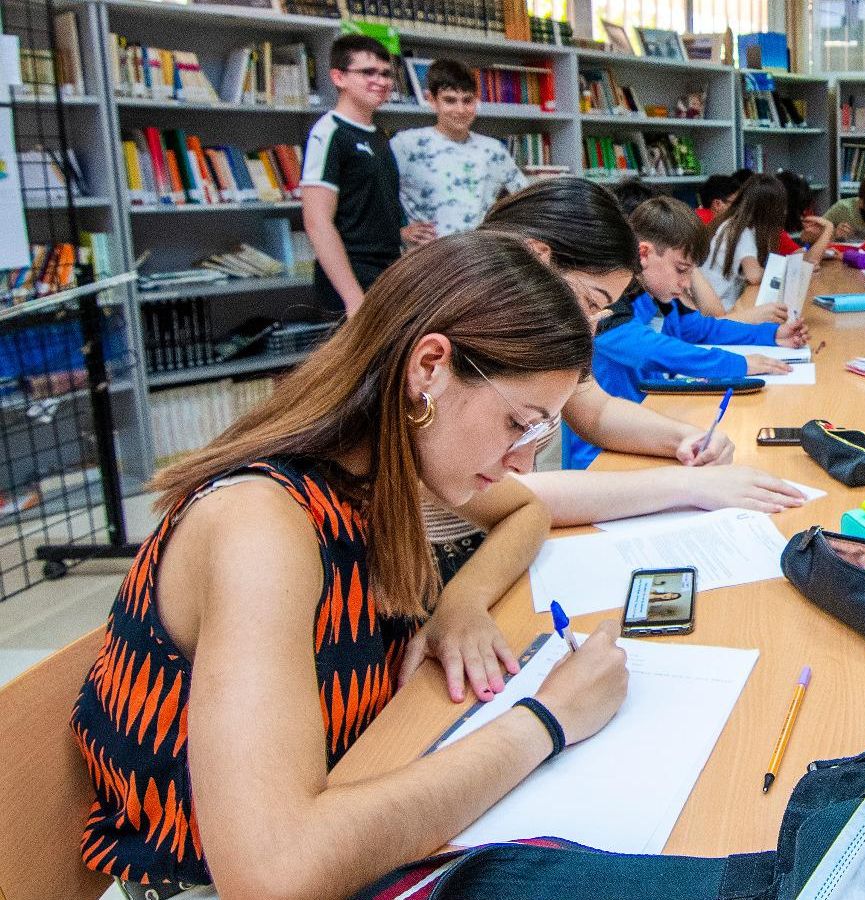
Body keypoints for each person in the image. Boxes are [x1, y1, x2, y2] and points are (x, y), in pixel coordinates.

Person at [70, 231, 632, 899]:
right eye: (519, 424)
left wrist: (461, 603)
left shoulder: (381, 467)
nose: (523, 462)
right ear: (430, 368)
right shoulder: (261, 524)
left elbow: (525, 509)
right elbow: (272, 873)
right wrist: (548, 719)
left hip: (352, 805)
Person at [569, 197, 809, 468]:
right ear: (644, 254)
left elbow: (703, 329)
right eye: (681, 270)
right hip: (601, 453)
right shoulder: (607, 302)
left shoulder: (656, 296)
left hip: (649, 422)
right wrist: (737, 363)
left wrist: (771, 335)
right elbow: (650, 350)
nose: (685, 284)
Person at [301, 34, 412, 317]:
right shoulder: (329, 132)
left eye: (386, 74)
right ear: (339, 77)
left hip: (386, 272)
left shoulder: (379, 135)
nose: (381, 81)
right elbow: (317, 223)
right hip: (352, 280)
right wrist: (353, 299)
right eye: (368, 72)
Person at [390, 58, 531, 244]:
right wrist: (399, 233)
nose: (460, 109)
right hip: (427, 254)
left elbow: (527, 198)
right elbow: (373, 199)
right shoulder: (405, 145)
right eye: (450, 100)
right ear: (431, 100)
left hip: (478, 252)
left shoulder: (493, 150)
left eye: (467, 101)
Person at [702, 173, 833, 309]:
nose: (784, 212)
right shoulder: (740, 231)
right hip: (722, 307)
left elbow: (806, 261)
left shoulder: (736, 225)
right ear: (769, 209)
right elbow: (753, 275)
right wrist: (788, 271)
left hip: (722, 303)